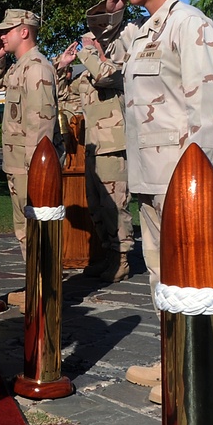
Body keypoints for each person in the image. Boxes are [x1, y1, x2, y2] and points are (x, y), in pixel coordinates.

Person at [86, 0, 213, 403]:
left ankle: (193, 366)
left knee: (187, 273)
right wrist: (111, 4)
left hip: (183, 178)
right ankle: (174, 357)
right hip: (150, 172)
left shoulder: (189, 24)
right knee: (160, 271)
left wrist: (200, 184)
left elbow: (211, 102)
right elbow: (105, 47)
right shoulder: (147, 30)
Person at [0, 9, 64, 285]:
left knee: (34, 228)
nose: (1, 36)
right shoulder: (20, 67)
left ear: (24, 31)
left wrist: (36, 174)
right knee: (24, 228)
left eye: (7, 31)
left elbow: (41, 127)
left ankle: (43, 287)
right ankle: (37, 282)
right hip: (18, 165)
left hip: (30, 168)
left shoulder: (37, 68)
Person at [56, 34, 134, 283]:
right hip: (92, 149)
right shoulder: (85, 78)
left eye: (91, 41)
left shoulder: (117, 70)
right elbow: (64, 100)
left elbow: (103, 75)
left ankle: (121, 260)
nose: (85, 45)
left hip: (113, 148)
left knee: (115, 206)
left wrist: (88, 53)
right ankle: (107, 255)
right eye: (84, 41)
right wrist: (62, 67)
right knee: (97, 207)